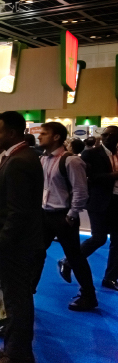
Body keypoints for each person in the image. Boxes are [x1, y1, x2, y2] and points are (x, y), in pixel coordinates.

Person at [0, 111, 44, 363]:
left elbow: (19, 211)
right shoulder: (19, 157)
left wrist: (1, 242)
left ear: (12, 133)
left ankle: (15, 356)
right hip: (14, 244)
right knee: (17, 298)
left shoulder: (19, 161)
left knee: (17, 301)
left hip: (14, 246)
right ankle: (18, 350)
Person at [34, 122, 97, 310]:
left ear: (56, 137)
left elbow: (80, 191)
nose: (39, 136)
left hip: (63, 216)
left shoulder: (71, 161)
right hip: (45, 214)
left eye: (44, 133)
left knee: (74, 257)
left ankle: (89, 296)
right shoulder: (43, 159)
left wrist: (71, 214)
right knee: (36, 254)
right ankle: (27, 292)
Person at [77, 125, 118, 291]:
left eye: (111, 135)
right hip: (98, 201)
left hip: (116, 201)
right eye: (105, 134)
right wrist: (113, 176)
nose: (106, 137)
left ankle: (110, 278)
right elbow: (89, 177)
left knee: (117, 241)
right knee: (99, 238)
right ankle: (70, 260)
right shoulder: (91, 154)